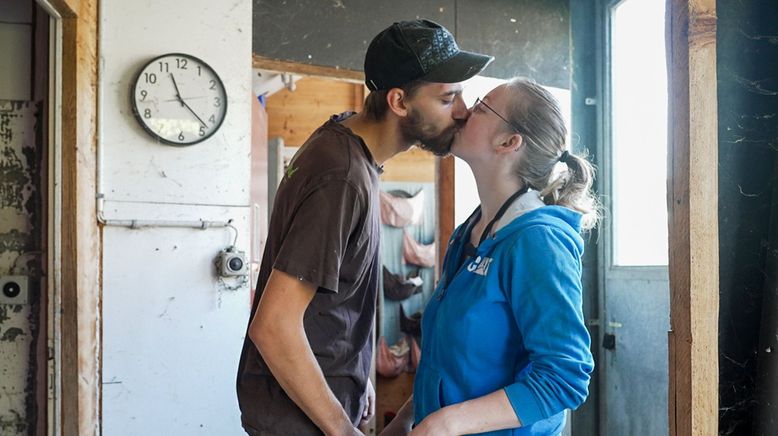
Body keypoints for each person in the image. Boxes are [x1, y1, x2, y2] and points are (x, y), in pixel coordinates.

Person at [236, 19, 493, 436]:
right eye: (448, 98)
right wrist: (342, 429)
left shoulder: (348, 147)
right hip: (298, 422)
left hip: (314, 403)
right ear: (399, 101)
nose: (462, 111)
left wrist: (356, 377)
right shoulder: (341, 177)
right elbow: (273, 326)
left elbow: (334, 294)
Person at [382, 78, 599, 436]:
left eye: (481, 107)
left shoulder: (538, 241)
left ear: (509, 142)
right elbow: (447, 359)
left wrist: (445, 423)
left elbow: (565, 377)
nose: (463, 111)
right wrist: (408, 419)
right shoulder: (470, 231)